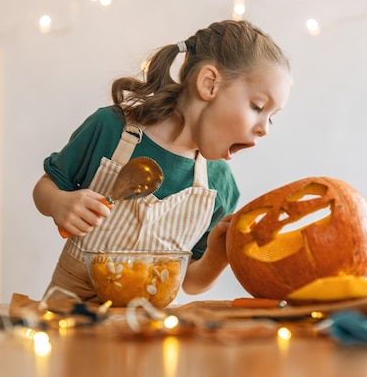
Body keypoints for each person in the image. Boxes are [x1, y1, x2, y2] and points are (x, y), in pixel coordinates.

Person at [33, 19, 292, 302]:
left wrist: (218, 255)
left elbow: (191, 282)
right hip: (67, 316)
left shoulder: (221, 186)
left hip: (147, 331)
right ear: (210, 84)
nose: (264, 128)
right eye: (257, 107)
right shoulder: (109, 128)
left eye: (272, 118)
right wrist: (58, 203)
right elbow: (45, 188)